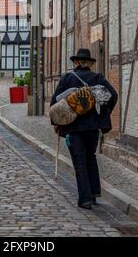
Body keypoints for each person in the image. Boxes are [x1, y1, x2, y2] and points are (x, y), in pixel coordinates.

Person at [50, 48, 118, 210]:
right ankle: (94, 194)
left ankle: (85, 199)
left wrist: (57, 124)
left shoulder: (67, 79)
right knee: (91, 157)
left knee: (80, 162)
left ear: (76, 62)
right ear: (89, 63)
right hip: (93, 128)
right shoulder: (98, 78)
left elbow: (55, 104)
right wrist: (104, 113)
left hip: (74, 127)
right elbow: (113, 95)